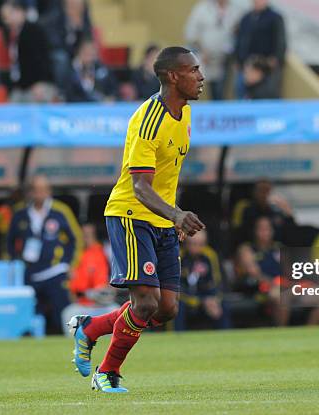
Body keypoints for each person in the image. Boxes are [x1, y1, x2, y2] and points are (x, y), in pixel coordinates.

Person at [66, 46, 205, 393]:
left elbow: (167, 176)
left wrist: (173, 218)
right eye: (194, 70)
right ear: (173, 76)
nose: (201, 77)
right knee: (145, 302)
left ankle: (91, 328)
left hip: (162, 220)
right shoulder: (147, 121)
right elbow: (140, 186)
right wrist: (177, 214)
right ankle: (107, 373)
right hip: (131, 215)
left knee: (167, 308)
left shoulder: (184, 114)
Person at [6, 175, 83, 334]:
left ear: (49, 191)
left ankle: (70, 344)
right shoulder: (20, 212)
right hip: (30, 273)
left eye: (43, 190)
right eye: (35, 190)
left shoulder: (60, 211)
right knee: (31, 316)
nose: (39, 194)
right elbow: (8, 241)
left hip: (55, 270)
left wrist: (71, 264)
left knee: (62, 314)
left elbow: (76, 238)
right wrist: (14, 264)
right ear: (30, 192)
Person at [185, 0, 246, 100]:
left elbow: (242, 32)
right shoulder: (202, 8)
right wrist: (202, 51)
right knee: (210, 89)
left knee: (225, 90)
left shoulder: (237, 10)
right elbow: (190, 33)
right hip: (206, 57)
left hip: (228, 58)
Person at [0, 0, 56, 102]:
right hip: (21, 87)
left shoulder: (33, 30)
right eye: (4, 18)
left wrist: (40, 83)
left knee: (33, 108)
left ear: (19, 12)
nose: (6, 21)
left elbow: (42, 59)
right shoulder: (12, 34)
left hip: (39, 84)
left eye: (8, 16)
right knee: (10, 110)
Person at [176, 230, 228, 330]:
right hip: (185, 298)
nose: (196, 248)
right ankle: (176, 338)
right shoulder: (179, 256)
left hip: (206, 296)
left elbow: (218, 282)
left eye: (200, 244)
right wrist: (200, 302)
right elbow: (176, 289)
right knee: (177, 306)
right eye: (193, 244)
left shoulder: (210, 255)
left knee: (223, 305)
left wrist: (214, 299)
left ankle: (225, 337)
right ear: (186, 243)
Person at [234, 0, 286, 98]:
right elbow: (240, 40)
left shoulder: (275, 17)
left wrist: (273, 61)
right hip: (246, 65)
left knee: (265, 96)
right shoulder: (246, 18)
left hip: (266, 67)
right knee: (241, 92)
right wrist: (239, 60)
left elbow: (280, 42)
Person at [41, 0, 93, 90]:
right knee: (62, 58)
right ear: (66, 7)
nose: (76, 10)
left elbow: (87, 41)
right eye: (73, 6)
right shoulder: (55, 19)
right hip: (59, 53)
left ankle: (89, 90)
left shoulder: (84, 20)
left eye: (79, 7)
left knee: (89, 56)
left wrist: (78, 30)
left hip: (76, 52)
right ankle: (63, 92)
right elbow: (55, 43)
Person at [231, 179, 295, 246]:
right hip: (253, 249)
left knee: (298, 252)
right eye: (261, 190)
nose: (264, 194)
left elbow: (290, 235)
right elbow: (240, 235)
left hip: (276, 248)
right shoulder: (248, 210)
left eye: (267, 190)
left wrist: (288, 213)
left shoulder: (277, 211)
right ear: (255, 192)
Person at [64, 38, 118, 102]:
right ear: (79, 53)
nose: (89, 57)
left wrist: (110, 97)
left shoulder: (102, 69)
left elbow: (113, 88)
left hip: (102, 106)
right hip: (80, 107)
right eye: (86, 53)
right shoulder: (70, 70)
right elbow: (70, 96)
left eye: (92, 54)